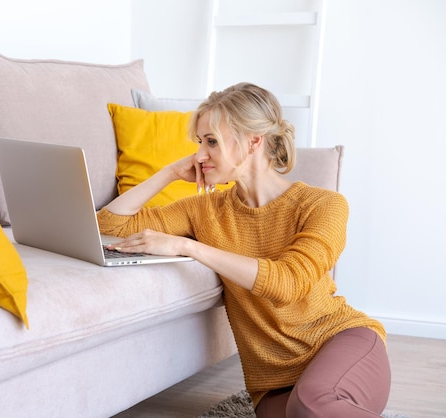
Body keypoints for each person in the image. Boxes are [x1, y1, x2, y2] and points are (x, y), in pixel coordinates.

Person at [97, 82, 391, 417]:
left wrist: (189, 246)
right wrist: (168, 174)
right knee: (302, 408)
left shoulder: (323, 205)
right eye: (199, 142)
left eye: (212, 142)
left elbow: (287, 283)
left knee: (311, 405)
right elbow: (109, 225)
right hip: (272, 383)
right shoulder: (204, 210)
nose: (200, 155)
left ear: (253, 142)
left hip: (340, 346)